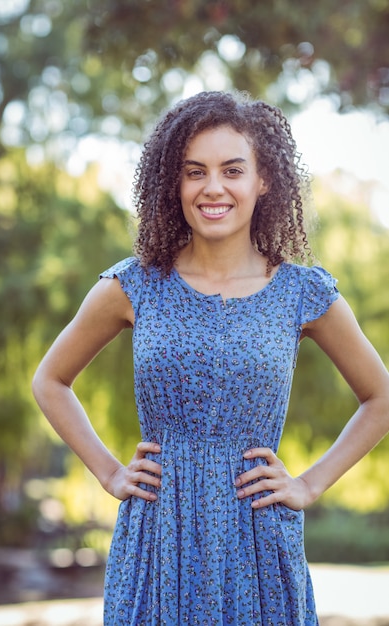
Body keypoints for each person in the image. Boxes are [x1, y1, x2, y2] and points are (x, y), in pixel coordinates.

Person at [32, 90, 389, 626]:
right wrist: (109, 473)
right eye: (194, 171)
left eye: (232, 170)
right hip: (159, 532)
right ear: (173, 184)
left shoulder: (303, 292)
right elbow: (51, 380)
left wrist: (309, 484)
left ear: (262, 180)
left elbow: (380, 398)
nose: (213, 187)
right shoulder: (134, 285)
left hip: (258, 533)